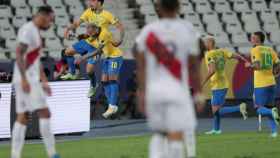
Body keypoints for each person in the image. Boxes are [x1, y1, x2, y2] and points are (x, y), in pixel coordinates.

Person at [133, 0, 205, 157]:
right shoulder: (187, 29)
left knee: (159, 134)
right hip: (178, 90)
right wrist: (199, 92)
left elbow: (141, 66)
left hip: (154, 92)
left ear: (158, 8)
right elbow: (194, 67)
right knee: (176, 133)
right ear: (178, 6)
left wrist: (142, 93)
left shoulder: (148, 31)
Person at [11, 6, 60, 158]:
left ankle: (15, 155)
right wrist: (25, 79)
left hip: (26, 79)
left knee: (23, 116)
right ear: (43, 16)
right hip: (26, 80)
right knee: (45, 112)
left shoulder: (35, 31)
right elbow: (19, 52)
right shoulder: (28, 29)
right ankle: (52, 154)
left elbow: (35, 60)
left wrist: (44, 81)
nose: (50, 24)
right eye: (50, 20)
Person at [63, 0, 125, 98]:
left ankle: (93, 85)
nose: (90, 2)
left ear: (99, 2)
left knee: (89, 70)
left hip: (97, 47)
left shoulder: (107, 15)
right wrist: (68, 29)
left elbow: (120, 27)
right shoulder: (88, 12)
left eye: (92, 1)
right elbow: (76, 23)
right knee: (68, 51)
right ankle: (74, 73)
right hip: (87, 41)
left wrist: (120, 39)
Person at [202, 36, 249, 135]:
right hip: (223, 83)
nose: (204, 45)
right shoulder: (222, 51)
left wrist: (202, 82)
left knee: (215, 110)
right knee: (216, 107)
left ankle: (239, 108)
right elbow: (236, 55)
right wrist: (245, 60)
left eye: (205, 42)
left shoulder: (209, 54)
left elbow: (212, 70)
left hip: (217, 84)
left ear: (210, 43)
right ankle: (216, 129)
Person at [80, 23, 123, 118]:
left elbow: (98, 51)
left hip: (115, 57)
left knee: (112, 80)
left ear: (95, 29)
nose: (90, 35)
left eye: (91, 32)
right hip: (107, 58)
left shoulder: (103, 34)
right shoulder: (96, 33)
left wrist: (83, 57)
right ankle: (111, 104)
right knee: (104, 82)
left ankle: (112, 105)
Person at [245, 31, 280, 138]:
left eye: (254, 37)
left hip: (261, 84)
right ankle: (274, 132)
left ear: (259, 39)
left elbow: (258, 66)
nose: (252, 39)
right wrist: (275, 72)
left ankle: (272, 112)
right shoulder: (270, 49)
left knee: (259, 108)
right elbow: (278, 63)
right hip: (271, 82)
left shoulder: (255, 49)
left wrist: (249, 65)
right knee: (269, 107)